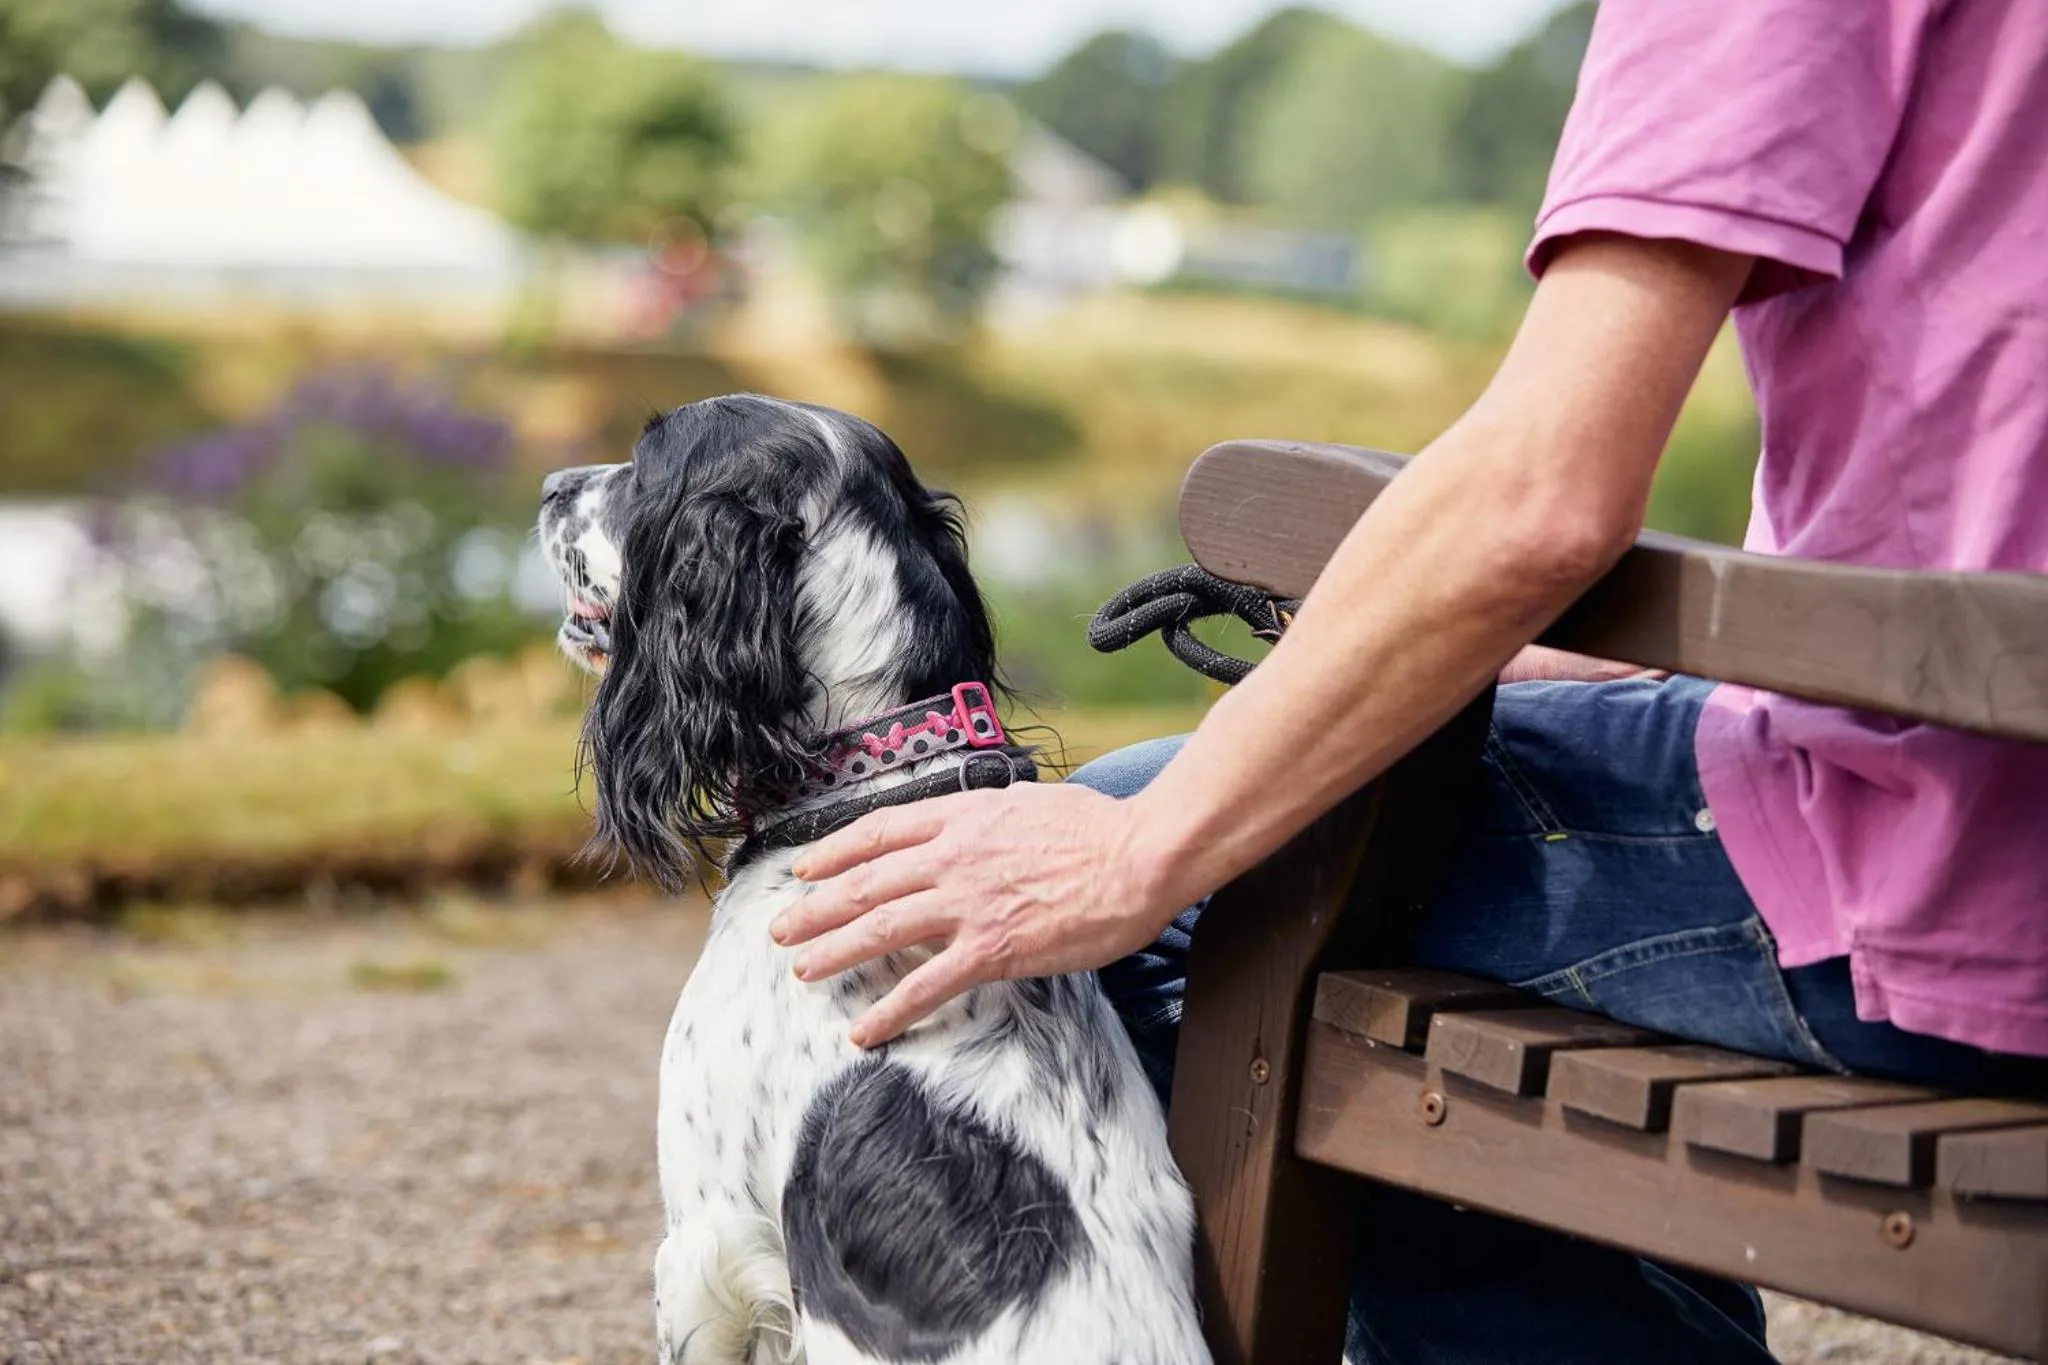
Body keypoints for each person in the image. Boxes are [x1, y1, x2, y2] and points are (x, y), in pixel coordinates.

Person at [769, 2, 2048, 1359]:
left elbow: (1544, 496)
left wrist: (1141, 849)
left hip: (1970, 884)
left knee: (1162, 914)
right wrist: (1508, 647)